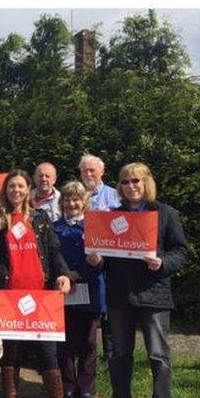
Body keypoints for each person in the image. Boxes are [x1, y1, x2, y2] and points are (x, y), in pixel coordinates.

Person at [86, 162, 189, 398]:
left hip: (154, 295)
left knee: (158, 356)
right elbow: (103, 257)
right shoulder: (112, 217)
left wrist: (163, 262)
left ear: (146, 183)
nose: (130, 186)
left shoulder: (165, 214)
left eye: (136, 181)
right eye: (125, 182)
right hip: (120, 296)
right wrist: (96, 261)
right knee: (120, 355)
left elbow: (181, 252)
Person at [0, 170, 74, 398]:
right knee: (11, 357)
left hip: (42, 298)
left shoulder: (41, 218)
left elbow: (54, 251)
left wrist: (64, 275)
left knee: (48, 356)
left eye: (21, 185)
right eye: (11, 186)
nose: (16, 190)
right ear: (5, 190)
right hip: (10, 298)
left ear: (28, 189)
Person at [52, 181, 106, 398]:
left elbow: (101, 261)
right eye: (67, 199)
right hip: (63, 289)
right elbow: (51, 257)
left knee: (89, 341)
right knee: (64, 342)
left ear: (84, 202)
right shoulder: (54, 227)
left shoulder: (96, 227)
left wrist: (79, 272)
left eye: (76, 199)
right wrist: (66, 275)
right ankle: (67, 384)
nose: (71, 203)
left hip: (90, 288)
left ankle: (86, 386)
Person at [79, 153, 120, 361]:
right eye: (84, 170)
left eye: (92, 170)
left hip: (109, 261)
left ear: (102, 172)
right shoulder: (74, 194)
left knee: (110, 310)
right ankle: (86, 354)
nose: (88, 174)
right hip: (82, 261)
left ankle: (111, 357)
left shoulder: (114, 196)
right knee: (88, 310)